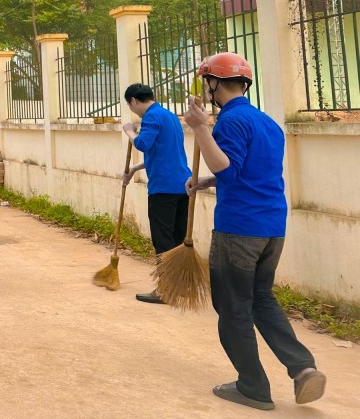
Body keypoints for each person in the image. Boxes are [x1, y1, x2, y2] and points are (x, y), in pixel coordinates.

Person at [184, 52, 326, 410]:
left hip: (239, 229)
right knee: (261, 298)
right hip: (272, 228)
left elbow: (228, 169)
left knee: (232, 307)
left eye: (207, 82)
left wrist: (199, 128)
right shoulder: (267, 122)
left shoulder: (230, 121)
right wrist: (206, 181)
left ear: (214, 83)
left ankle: (253, 387)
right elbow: (247, 171)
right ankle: (303, 368)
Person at [121, 83, 192, 304]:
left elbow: (143, 143)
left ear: (133, 101)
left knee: (162, 239)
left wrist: (130, 131)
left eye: (130, 106)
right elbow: (163, 152)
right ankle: (180, 286)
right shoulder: (170, 116)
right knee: (178, 238)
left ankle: (165, 290)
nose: (132, 110)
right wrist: (135, 168)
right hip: (183, 185)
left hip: (163, 188)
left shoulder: (151, 117)